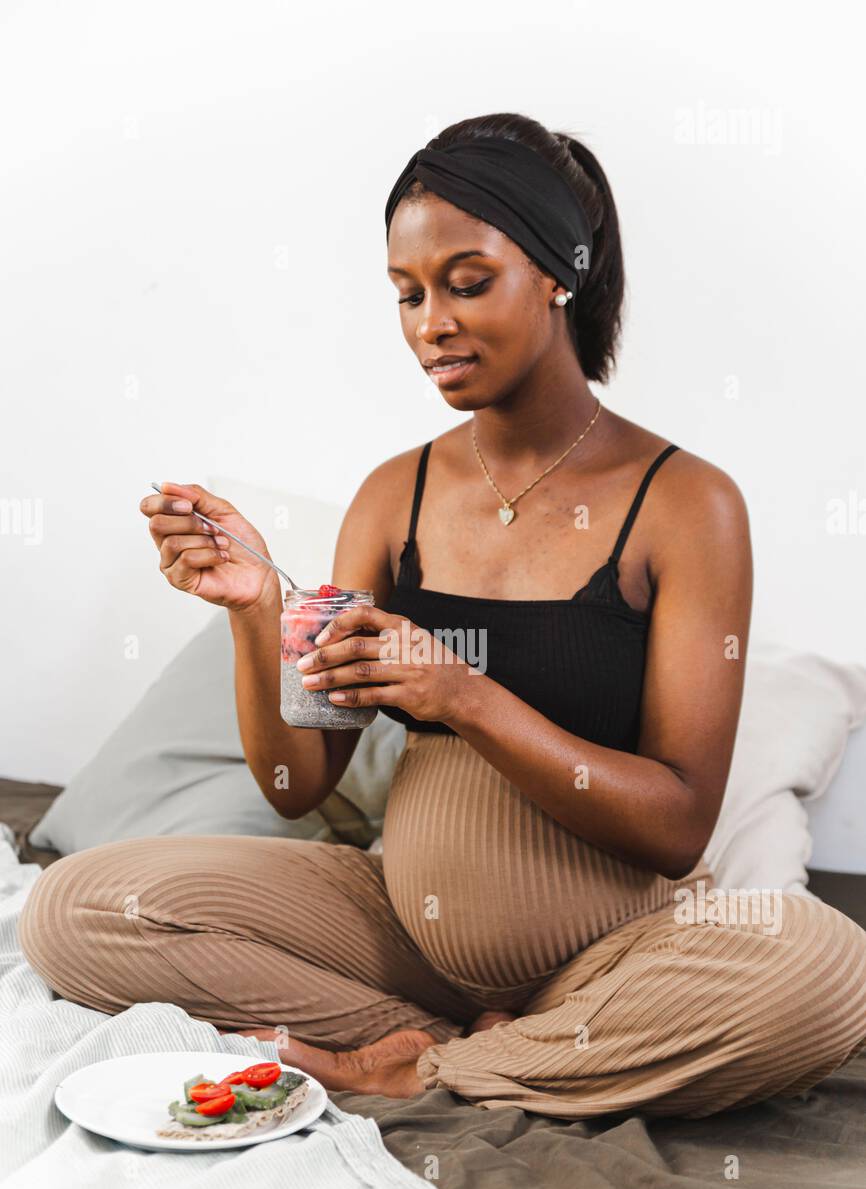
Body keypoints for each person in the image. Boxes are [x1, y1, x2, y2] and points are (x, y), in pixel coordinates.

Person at [18, 112, 866, 1119]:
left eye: (467, 283)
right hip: (397, 935)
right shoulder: (388, 499)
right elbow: (300, 781)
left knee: (825, 967)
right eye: (407, 294)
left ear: (559, 273)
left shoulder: (686, 504)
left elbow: (678, 824)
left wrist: (461, 694)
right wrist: (257, 610)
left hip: (613, 954)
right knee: (73, 909)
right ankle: (451, 1043)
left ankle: (429, 1068)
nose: (431, 323)